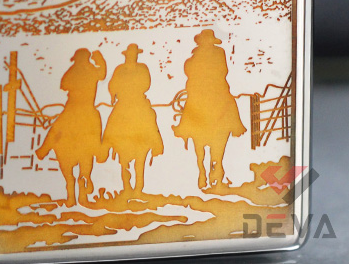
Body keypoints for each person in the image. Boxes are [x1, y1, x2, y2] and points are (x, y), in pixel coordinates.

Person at [172, 29, 246, 190]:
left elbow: (223, 71)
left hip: (216, 88)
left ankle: (234, 126)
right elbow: (189, 73)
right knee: (191, 108)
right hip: (200, 91)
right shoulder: (193, 57)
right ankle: (201, 170)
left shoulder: (218, 53)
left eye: (208, 41)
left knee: (229, 103)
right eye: (204, 41)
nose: (206, 43)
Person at [36, 48, 106, 206]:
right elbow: (101, 73)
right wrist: (100, 60)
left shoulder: (74, 71)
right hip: (84, 108)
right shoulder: (91, 70)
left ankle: (44, 149)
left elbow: (64, 85)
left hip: (75, 108)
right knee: (90, 126)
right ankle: (98, 153)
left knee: (58, 126)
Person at [103, 45, 163, 195]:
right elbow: (112, 85)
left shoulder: (142, 68)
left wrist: (132, 88)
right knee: (112, 121)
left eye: (134, 54)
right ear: (126, 55)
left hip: (138, 101)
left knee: (150, 116)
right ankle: (105, 147)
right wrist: (114, 93)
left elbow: (146, 83)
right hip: (123, 102)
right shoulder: (119, 69)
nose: (132, 56)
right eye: (130, 54)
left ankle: (156, 144)